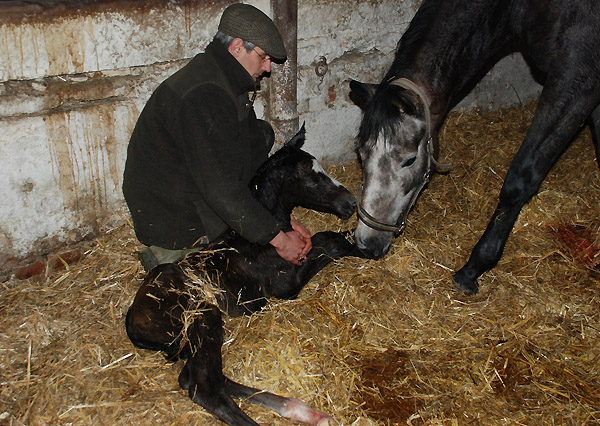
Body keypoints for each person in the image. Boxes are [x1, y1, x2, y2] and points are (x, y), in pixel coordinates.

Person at [122, 3, 311, 271]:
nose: (268, 68)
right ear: (237, 46)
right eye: (263, 57)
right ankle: (169, 255)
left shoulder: (223, 76)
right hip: (174, 213)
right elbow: (221, 188)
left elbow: (244, 156)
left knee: (262, 135)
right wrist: (278, 239)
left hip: (192, 183)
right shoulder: (205, 95)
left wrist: (279, 217)